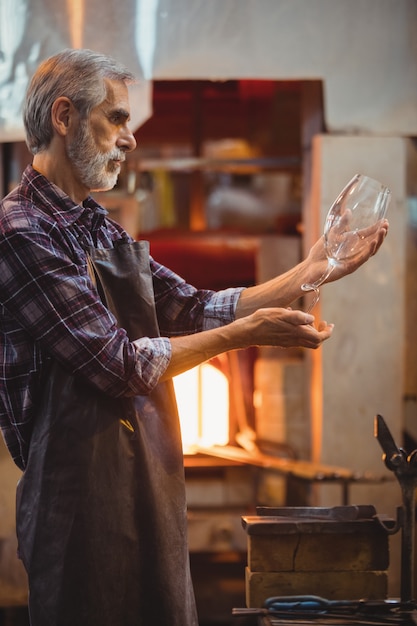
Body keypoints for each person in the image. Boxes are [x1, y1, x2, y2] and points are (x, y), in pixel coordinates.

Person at [0, 49, 388, 626]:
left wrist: (309, 270)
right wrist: (247, 335)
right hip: (72, 507)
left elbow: (192, 307)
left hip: (143, 483)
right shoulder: (21, 232)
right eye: (118, 118)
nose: (129, 139)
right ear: (64, 116)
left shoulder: (95, 224)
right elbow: (117, 365)